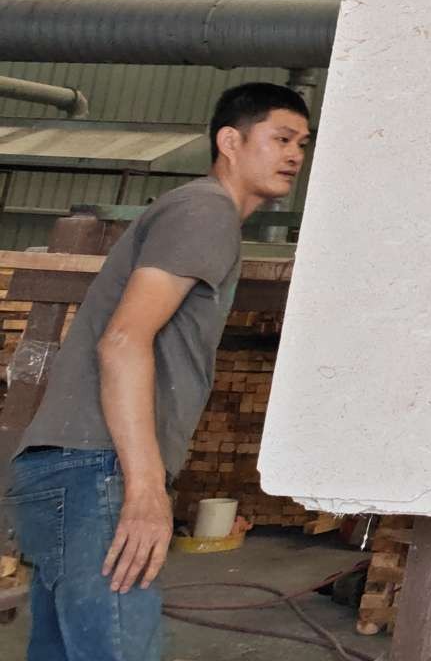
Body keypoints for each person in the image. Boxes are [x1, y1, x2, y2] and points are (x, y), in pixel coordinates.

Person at [7, 81, 309, 661]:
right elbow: (123, 342)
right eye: (281, 138)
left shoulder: (196, 212)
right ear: (230, 141)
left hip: (66, 467)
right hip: (96, 469)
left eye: (302, 143)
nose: (295, 154)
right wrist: (145, 492)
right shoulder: (205, 211)